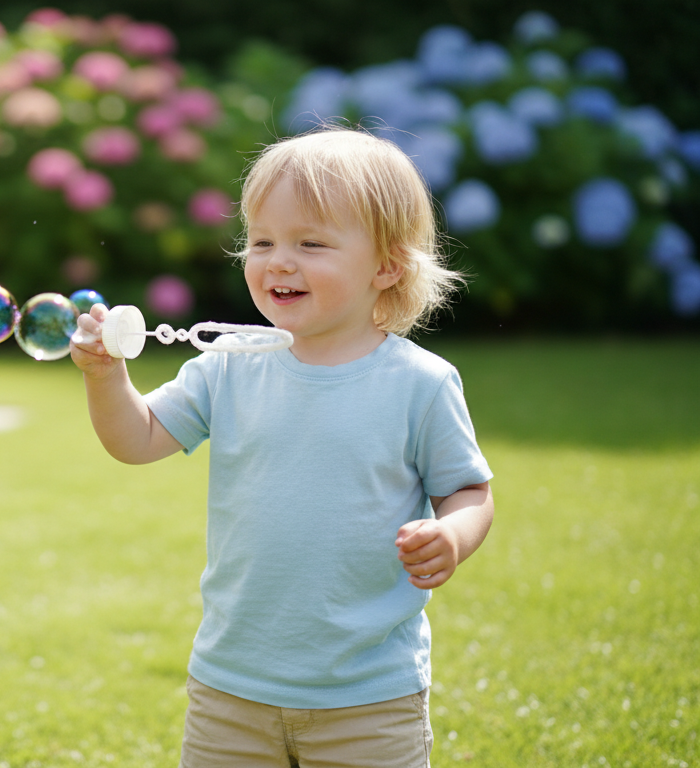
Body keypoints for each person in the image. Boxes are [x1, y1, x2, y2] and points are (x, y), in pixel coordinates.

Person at [69, 126, 495, 767]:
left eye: (311, 243)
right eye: (262, 240)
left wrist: (455, 534)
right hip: (231, 687)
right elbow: (138, 439)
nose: (278, 261)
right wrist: (107, 378)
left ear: (388, 265)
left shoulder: (420, 384)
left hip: (368, 695)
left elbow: (468, 489)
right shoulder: (230, 364)